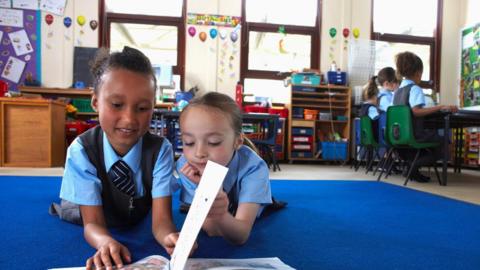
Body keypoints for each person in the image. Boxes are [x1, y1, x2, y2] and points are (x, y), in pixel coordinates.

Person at [57, 47, 179, 269]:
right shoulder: (81, 150)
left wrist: (170, 238)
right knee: (71, 210)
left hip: (133, 211)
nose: (129, 119)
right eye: (116, 105)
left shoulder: (161, 150)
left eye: (142, 108)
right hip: (86, 210)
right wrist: (105, 241)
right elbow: (92, 223)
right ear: (95, 102)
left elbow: (161, 222)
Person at [175, 92, 277, 245]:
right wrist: (203, 189)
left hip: (243, 206)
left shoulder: (254, 168)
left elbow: (241, 235)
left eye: (214, 142)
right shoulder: (187, 165)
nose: (199, 153)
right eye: (189, 142)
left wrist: (221, 214)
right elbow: (211, 230)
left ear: (237, 141)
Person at [393, 51, 458, 182]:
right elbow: (416, 111)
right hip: (414, 134)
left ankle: (412, 168)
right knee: (445, 140)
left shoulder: (397, 92)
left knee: (431, 140)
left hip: (398, 135)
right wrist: (439, 107)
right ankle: (413, 166)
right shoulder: (415, 89)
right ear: (418, 73)